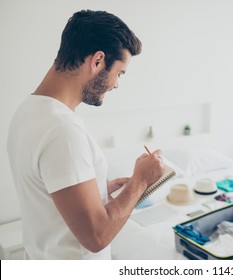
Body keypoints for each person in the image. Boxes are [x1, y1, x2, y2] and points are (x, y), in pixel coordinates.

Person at [7, 10, 164, 260]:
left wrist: (97, 189)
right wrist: (140, 182)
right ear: (98, 61)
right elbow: (97, 236)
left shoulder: (28, 111)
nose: (116, 84)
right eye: (120, 73)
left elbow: (47, 191)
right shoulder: (62, 130)